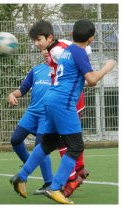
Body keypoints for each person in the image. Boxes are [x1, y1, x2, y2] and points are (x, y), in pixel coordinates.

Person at [10, 19, 117, 204]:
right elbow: (91, 80)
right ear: (91, 39)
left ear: (72, 34)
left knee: (48, 143)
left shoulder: (65, 51)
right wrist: (108, 66)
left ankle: (21, 176)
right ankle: (55, 187)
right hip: (64, 103)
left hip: (50, 99)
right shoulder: (77, 51)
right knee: (76, 146)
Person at [28, 19, 91, 197]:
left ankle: (70, 179)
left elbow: (75, 60)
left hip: (67, 98)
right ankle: (78, 170)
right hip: (67, 97)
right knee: (70, 138)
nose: (36, 44)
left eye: (38, 40)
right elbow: (82, 50)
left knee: (64, 140)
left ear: (50, 37)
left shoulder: (57, 52)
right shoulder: (62, 45)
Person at [8, 62, 53, 195]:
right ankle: (30, 164)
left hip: (47, 114)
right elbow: (22, 89)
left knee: (40, 147)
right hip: (32, 112)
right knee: (15, 140)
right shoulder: (36, 69)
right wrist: (12, 95)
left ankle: (49, 183)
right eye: (44, 49)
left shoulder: (60, 68)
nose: (46, 52)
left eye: (48, 49)